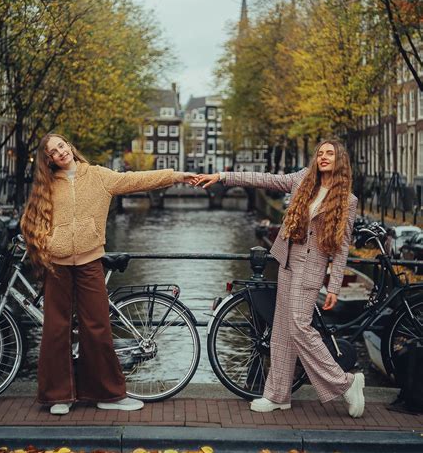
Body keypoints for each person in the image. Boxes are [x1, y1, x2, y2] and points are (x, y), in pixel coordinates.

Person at [21, 133, 195, 415]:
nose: (60, 153)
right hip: (58, 264)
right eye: (53, 152)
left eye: (61, 146)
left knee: (98, 327)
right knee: (56, 329)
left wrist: (176, 176)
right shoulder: (47, 186)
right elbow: (31, 223)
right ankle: (59, 396)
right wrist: (51, 244)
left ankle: (108, 395)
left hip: (90, 262)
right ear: (48, 159)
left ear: (70, 147)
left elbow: (137, 179)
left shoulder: (99, 176)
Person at [194, 140, 365, 418]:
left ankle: (346, 382)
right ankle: (278, 395)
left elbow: (343, 246)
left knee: (299, 326)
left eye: (329, 153)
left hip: (312, 267)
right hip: (287, 261)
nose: (323, 157)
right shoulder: (302, 180)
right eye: (320, 153)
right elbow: (264, 179)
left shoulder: (348, 200)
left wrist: (334, 285)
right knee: (283, 332)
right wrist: (223, 177)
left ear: (340, 160)